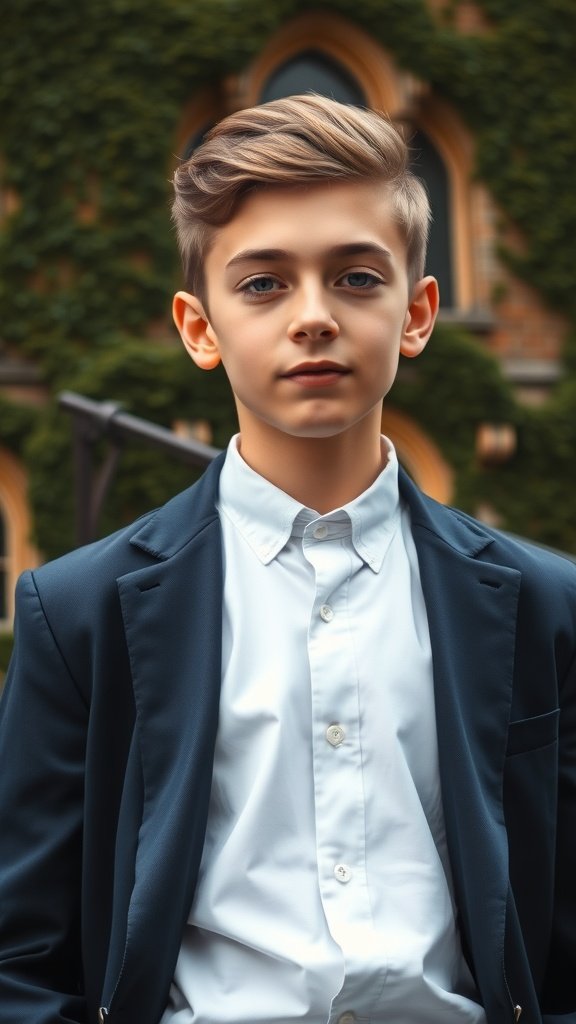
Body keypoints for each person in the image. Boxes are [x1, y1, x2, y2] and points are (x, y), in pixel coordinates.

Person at [0, 94, 574, 1024]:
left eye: (355, 278)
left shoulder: (552, 605)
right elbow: (18, 953)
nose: (313, 316)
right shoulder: (78, 612)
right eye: (263, 284)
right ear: (199, 327)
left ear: (418, 312)